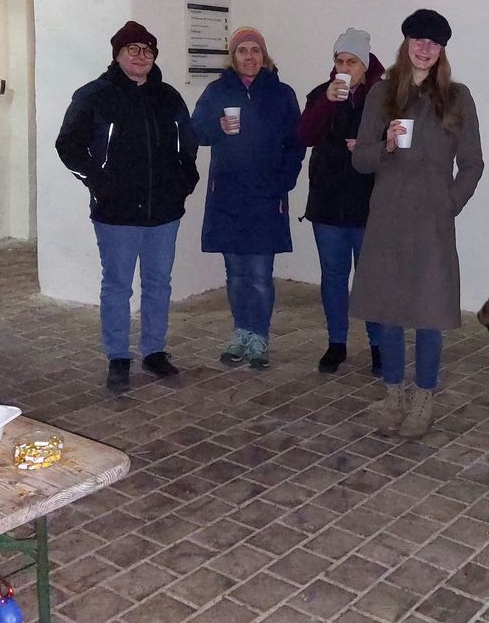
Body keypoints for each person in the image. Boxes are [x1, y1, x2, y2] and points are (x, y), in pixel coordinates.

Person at [351, 9, 483, 439]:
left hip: (432, 221)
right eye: (417, 40)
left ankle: (424, 395)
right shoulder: (382, 94)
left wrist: (450, 203)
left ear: (442, 50)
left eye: (433, 43)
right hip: (387, 216)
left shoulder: (457, 97)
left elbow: (473, 164)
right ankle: (393, 393)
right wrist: (385, 146)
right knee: (387, 311)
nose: (424, 48)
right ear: (406, 44)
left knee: (429, 313)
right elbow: (360, 159)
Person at [55, 21, 199, 389]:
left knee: (158, 283)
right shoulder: (94, 95)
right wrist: (99, 183)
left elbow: (188, 144)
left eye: (147, 50)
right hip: (116, 212)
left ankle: (154, 351)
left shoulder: (168, 97)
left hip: (164, 211)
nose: (140, 56)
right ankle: (118, 356)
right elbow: (68, 145)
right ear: (117, 54)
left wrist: (184, 183)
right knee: (117, 285)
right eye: (132, 49)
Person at [191, 27, 304, 370]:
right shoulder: (216, 91)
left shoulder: (281, 94)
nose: (250, 57)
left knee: (259, 273)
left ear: (264, 55)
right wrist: (216, 128)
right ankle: (240, 332)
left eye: (255, 50)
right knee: (236, 272)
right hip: (227, 194)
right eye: (243, 51)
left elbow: (296, 142)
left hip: (266, 195)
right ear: (233, 56)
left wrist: (284, 181)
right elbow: (194, 131)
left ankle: (259, 337)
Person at [297, 27, 386, 375]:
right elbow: (304, 135)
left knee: (371, 278)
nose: (344, 67)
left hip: (369, 202)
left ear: (365, 64)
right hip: (328, 201)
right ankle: (337, 343)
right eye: (339, 60)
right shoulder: (322, 94)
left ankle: (378, 345)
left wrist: (368, 149)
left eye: (352, 61)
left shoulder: (384, 96)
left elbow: (397, 144)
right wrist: (325, 104)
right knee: (333, 277)